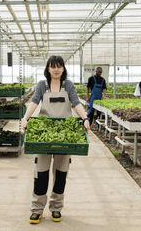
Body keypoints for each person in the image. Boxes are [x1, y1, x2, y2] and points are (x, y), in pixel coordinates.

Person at [21, 55, 90, 224]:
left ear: (63, 69)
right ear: (48, 69)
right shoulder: (42, 85)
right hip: (44, 134)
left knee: (61, 174)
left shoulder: (68, 85)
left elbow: (75, 103)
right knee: (41, 175)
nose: (56, 69)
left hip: (65, 135)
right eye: (53, 66)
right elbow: (34, 101)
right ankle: (37, 210)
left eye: (59, 66)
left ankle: (56, 208)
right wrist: (26, 118)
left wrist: (85, 118)